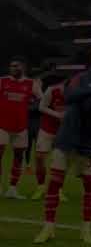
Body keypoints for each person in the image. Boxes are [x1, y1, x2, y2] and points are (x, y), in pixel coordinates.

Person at [34, 48, 91, 244]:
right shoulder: (79, 78)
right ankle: (48, 228)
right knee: (54, 184)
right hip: (68, 139)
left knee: (89, 187)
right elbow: (72, 97)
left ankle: (85, 229)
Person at [0, 56, 43, 199]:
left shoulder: (31, 83)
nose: (13, 68)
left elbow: (42, 100)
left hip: (21, 126)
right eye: (12, 66)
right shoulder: (2, 81)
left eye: (16, 66)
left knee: (18, 157)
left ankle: (12, 188)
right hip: (2, 125)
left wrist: (32, 107)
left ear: (23, 68)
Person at [31, 77, 68, 201]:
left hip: (64, 131)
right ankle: (41, 187)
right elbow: (41, 107)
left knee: (61, 161)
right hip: (47, 129)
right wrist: (58, 115)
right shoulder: (52, 90)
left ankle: (58, 190)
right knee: (39, 157)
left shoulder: (77, 94)